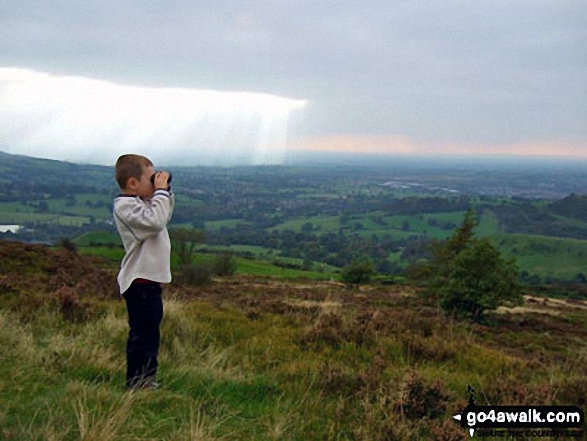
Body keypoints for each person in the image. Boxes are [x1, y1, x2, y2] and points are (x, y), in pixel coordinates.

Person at [113, 154, 174, 389]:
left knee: (150, 333)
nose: (155, 182)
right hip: (139, 281)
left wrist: (163, 191)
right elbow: (156, 222)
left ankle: (146, 379)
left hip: (148, 281)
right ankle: (137, 382)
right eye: (151, 178)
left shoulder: (141, 202)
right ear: (132, 183)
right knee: (143, 335)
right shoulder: (126, 207)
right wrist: (160, 193)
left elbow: (163, 215)